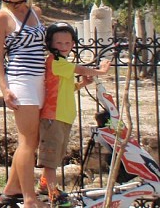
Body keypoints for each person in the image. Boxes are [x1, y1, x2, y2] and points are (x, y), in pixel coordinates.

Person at [0, 0, 46, 208]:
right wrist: (5, 89)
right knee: (27, 141)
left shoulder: (37, 12)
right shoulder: (1, 17)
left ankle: (11, 189)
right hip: (21, 81)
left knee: (34, 140)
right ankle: (30, 198)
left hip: (40, 80)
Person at [37, 22, 111, 203]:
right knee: (51, 159)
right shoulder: (54, 61)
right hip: (53, 116)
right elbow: (80, 69)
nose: (63, 47)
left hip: (63, 117)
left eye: (67, 43)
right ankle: (52, 193)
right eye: (59, 43)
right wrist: (100, 71)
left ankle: (45, 185)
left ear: (72, 44)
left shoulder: (62, 64)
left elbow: (68, 87)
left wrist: (83, 84)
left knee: (55, 156)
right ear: (50, 44)